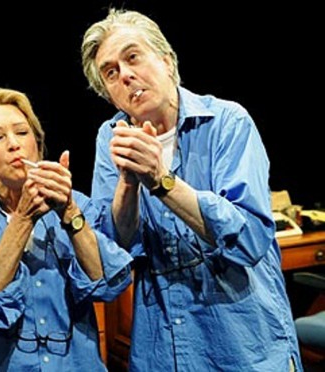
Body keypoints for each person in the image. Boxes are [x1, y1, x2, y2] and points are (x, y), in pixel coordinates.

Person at [81, 8, 302, 371]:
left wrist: (161, 180)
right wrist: (127, 184)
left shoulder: (228, 122)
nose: (126, 75)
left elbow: (249, 239)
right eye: (111, 72)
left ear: (166, 61)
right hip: (165, 348)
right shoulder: (111, 138)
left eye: (132, 56)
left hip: (244, 342)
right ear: (109, 95)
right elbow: (115, 251)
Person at [0, 87, 133, 371]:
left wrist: (69, 212)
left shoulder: (77, 203)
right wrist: (23, 219)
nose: (13, 144)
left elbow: (107, 283)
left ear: (37, 142)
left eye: (22, 133)